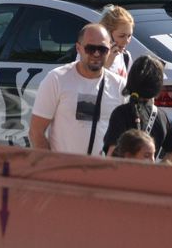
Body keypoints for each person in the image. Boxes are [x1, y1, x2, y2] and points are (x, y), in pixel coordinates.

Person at [28, 24, 127, 155]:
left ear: (109, 50)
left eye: (102, 49)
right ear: (78, 48)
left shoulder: (119, 85)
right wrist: (50, 166)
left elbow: (125, 137)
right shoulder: (57, 79)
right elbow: (36, 132)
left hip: (102, 172)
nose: (96, 54)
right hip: (63, 170)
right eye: (91, 48)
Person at [102, 55, 172, 160]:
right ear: (157, 86)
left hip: (123, 175)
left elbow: (112, 152)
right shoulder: (162, 117)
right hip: (149, 175)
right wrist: (162, 168)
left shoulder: (121, 113)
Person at [100, 4, 134, 76]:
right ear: (107, 33)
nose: (126, 41)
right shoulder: (90, 56)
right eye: (121, 36)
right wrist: (106, 65)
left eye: (129, 36)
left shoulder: (126, 57)